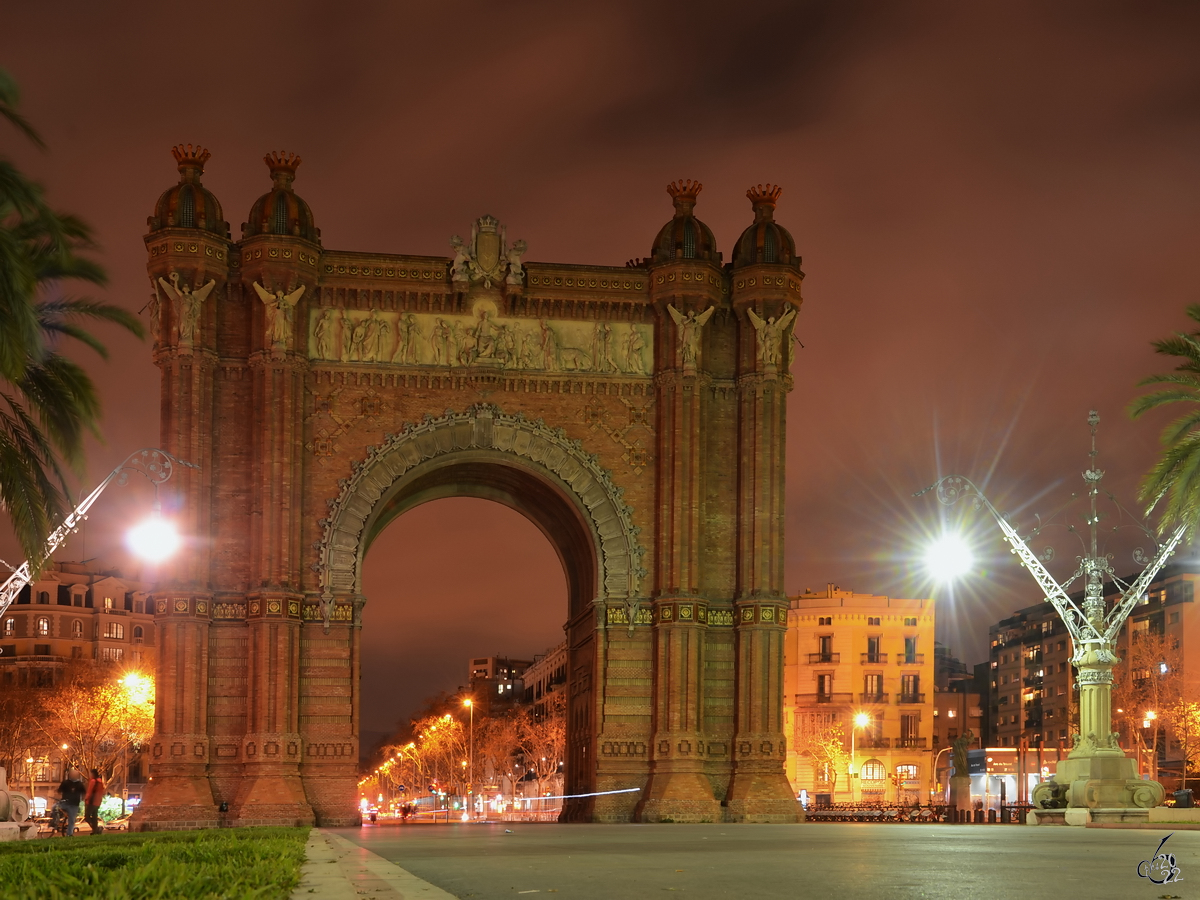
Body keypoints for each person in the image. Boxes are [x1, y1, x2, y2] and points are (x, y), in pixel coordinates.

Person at [56, 768, 86, 836]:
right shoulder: (65, 783)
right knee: (56, 809)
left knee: (72, 820)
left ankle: (69, 834)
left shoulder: (79, 784)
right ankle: (56, 822)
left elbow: (84, 793)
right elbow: (59, 791)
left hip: (74, 804)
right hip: (65, 803)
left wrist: (82, 799)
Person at [84, 768, 105, 835]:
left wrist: (86, 799)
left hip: (91, 801)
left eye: (90, 773)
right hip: (98, 802)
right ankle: (95, 831)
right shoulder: (100, 782)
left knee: (87, 817)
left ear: (93, 774)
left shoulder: (93, 781)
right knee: (94, 817)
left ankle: (96, 829)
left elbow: (89, 791)